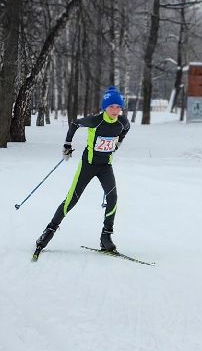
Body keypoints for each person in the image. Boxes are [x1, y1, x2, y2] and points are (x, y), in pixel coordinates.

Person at [36, 86, 131, 258]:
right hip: (88, 165)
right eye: (111, 107)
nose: (115, 110)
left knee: (113, 198)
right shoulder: (96, 121)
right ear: (105, 107)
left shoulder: (122, 122)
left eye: (118, 107)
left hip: (105, 166)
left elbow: (125, 130)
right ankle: (48, 232)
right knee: (71, 200)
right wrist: (67, 145)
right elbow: (74, 124)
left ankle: (106, 237)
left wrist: (117, 144)